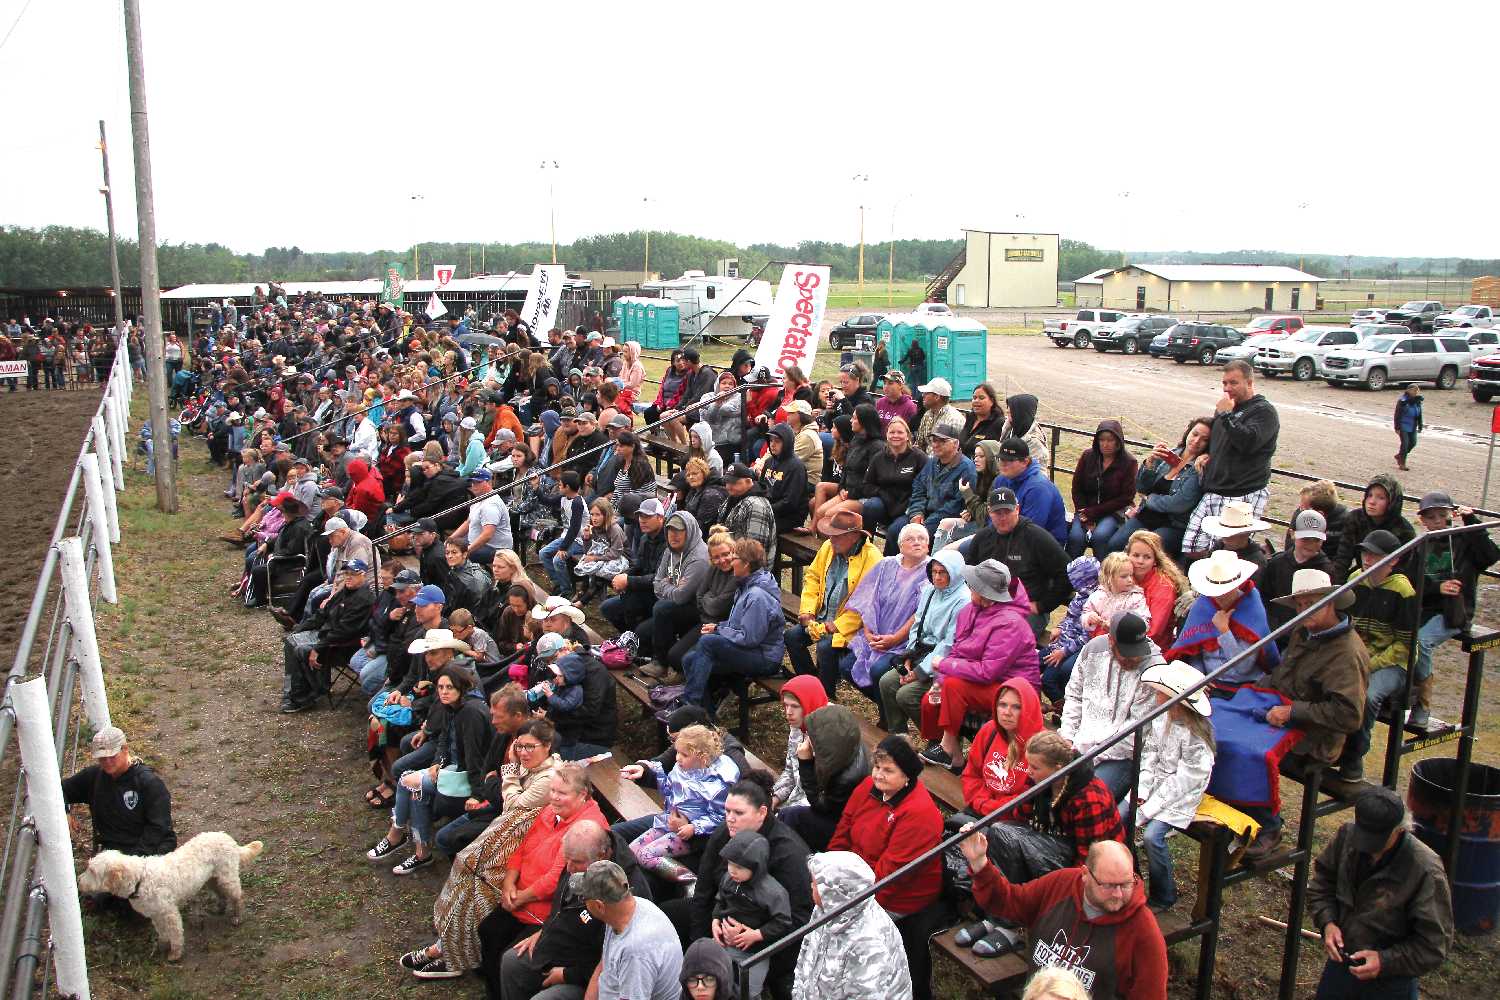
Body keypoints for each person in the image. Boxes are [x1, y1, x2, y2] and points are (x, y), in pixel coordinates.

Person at [1243, 569, 1371, 864]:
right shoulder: (1305, 632)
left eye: (1311, 603)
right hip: (1285, 715)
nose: (1304, 610)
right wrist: (1253, 691)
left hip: (1317, 738)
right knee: (1219, 728)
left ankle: (1270, 827)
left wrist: (1293, 712)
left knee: (1249, 752)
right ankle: (1238, 813)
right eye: (1299, 604)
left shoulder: (1347, 653)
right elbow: (1284, 674)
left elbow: (1349, 715)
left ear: (1331, 603)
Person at [960, 834, 1168, 1000]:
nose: (1118, 894)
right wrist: (980, 864)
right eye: (1108, 885)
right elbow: (1010, 901)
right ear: (1085, 874)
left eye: (1125, 884)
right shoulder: (1062, 884)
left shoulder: (1143, 930)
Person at [1307, 786, 1454, 1000]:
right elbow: (1322, 883)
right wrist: (1327, 922)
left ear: (1400, 830)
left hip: (1390, 983)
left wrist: (1384, 961)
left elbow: (1434, 945)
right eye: (1363, 834)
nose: (1366, 846)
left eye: (1375, 840)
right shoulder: (1347, 837)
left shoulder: (1425, 871)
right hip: (1341, 967)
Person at [827, 735, 944, 1000]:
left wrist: (847, 897)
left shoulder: (919, 813)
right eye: (877, 767)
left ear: (907, 777)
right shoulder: (869, 786)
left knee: (844, 931)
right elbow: (844, 829)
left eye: (888, 770)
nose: (879, 775)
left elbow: (891, 876)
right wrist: (832, 874)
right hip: (857, 879)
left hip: (896, 895)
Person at [492, 818, 652, 1000]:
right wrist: (545, 930)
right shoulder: (579, 859)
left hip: (588, 975)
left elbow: (614, 961)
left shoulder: (624, 893)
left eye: (575, 862)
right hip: (557, 948)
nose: (568, 868)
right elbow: (562, 905)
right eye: (566, 859)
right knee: (512, 961)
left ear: (601, 856)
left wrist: (568, 974)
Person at [918, 559, 1041, 772]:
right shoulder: (970, 610)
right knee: (931, 700)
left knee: (953, 687)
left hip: (1012, 689)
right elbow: (958, 651)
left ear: (984, 592)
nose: (968, 586)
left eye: (972, 584)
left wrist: (946, 666)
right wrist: (940, 681)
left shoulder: (1011, 623)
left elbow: (987, 672)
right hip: (975, 681)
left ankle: (946, 748)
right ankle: (952, 755)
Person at [371, 664, 491, 876]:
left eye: (449, 687)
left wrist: (476, 794)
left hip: (466, 779)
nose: (444, 692)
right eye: (441, 687)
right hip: (451, 768)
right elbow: (444, 740)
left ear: (461, 688)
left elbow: (475, 758)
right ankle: (421, 852)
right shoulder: (451, 707)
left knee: (407, 780)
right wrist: (438, 763)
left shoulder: (471, 712)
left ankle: (397, 834)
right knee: (416, 791)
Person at [981, 731, 1125, 884]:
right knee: (1000, 834)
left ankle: (1023, 894)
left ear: (1058, 768)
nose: (1029, 771)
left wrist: (1065, 891)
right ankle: (1012, 894)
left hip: (1095, 861)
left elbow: (1091, 856)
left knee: (1004, 836)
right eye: (1029, 764)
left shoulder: (1089, 800)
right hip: (1056, 840)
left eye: (1035, 767)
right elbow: (1020, 815)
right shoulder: (1042, 780)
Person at [1336, 530, 1420, 781]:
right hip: (1361, 654)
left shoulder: (1404, 591)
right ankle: (1329, 745)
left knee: (1368, 696)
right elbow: (1349, 625)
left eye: (1375, 555)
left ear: (1393, 560)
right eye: (1365, 553)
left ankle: (1355, 756)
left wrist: (1370, 664)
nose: (1367, 559)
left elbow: (1405, 644)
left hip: (1395, 662)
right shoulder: (1355, 579)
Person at [1411, 491, 1499, 726]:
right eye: (1431, 517)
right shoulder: (1421, 545)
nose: (1438, 521)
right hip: (1425, 608)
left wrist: (1472, 523)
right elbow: (1411, 582)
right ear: (1423, 520)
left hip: (1454, 612)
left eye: (1443, 515)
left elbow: (1490, 556)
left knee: (1421, 641)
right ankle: (1400, 694)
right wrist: (1437, 588)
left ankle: (1423, 703)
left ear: (1452, 515)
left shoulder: (1465, 541)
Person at [1134, 661, 1216, 912]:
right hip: (1155, 786)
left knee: (1152, 837)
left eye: (1162, 693)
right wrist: (1143, 790)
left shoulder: (1195, 737)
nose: (1157, 696)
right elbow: (1150, 754)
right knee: (1120, 817)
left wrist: (1151, 806)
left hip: (1180, 796)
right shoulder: (1161, 720)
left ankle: (1163, 894)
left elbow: (1185, 780)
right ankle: (1131, 880)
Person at [1182, 361, 1280, 558]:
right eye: (1224, 383)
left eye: (1233, 383)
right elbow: (1220, 440)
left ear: (1249, 382)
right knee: (1191, 546)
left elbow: (1248, 442)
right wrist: (1207, 453)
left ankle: (1228, 580)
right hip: (1215, 489)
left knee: (1228, 548)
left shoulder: (1264, 411)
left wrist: (1226, 415)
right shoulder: (1226, 409)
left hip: (1242, 491)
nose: (1227, 388)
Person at [1059, 611, 1161, 801]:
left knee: (1086, 799)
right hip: (1080, 742)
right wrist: (1067, 737)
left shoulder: (1154, 671)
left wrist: (1087, 758)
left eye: (1137, 651)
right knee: (1045, 782)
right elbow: (1074, 695)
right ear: (1112, 641)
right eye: (1127, 652)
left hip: (1120, 756)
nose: (1134, 658)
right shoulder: (1093, 649)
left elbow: (1135, 733)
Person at [785, 502, 882, 700]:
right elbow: (812, 577)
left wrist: (835, 626)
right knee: (792, 637)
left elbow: (866, 605)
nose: (831, 538)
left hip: (853, 627)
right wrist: (808, 611)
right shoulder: (829, 547)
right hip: (821, 616)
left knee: (825, 647)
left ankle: (825, 698)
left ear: (855, 536)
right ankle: (811, 687)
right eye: (831, 534)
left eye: (837, 535)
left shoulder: (873, 559)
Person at [622, 725, 740, 883]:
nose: (677, 758)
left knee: (645, 855)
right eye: (677, 752)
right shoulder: (681, 768)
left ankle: (688, 881)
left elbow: (721, 817)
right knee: (631, 851)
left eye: (684, 754)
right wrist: (654, 770)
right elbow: (669, 791)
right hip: (667, 822)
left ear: (702, 757)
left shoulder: (718, 784)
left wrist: (695, 827)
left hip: (689, 836)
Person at [791, 851, 912, 1000]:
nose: (811, 886)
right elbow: (807, 953)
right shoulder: (825, 909)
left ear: (835, 892)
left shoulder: (867, 942)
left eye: (816, 884)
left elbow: (867, 995)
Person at [680, 538, 786, 710]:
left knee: (708, 642)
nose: (730, 561)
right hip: (751, 649)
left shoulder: (756, 596)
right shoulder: (745, 586)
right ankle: (705, 715)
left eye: (734, 557)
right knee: (688, 659)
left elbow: (749, 639)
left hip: (764, 657)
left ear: (745, 564)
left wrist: (719, 629)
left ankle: (690, 704)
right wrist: (717, 628)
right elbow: (738, 625)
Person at [840, 523, 931, 718]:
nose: (917, 542)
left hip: (903, 642)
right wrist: (868, 632)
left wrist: (895, 638)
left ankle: (888, 719)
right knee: (846, 666)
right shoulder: (886, 564)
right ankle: (886, 707)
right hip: (874, 634)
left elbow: (920, 613)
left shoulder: (931, 571)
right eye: (910, 539)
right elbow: (868, 599)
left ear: (929, 545)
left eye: (922, 538)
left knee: (878, 671)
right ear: (900, 546)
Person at [877, 549, 970, 739]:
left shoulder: (963, 600)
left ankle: (937, 740)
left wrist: (919, 673)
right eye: (934, 572)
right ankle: (899, 735)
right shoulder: (930, 591)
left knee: (907, 696)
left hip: (942, 664)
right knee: (887, 682)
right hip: (919, 654)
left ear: (955, 573)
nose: (937, 577)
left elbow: (948, 645)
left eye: (942, 573)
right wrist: (908, 658)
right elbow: (917, 626)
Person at [962, 487, 1072, 640]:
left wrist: (1042, 606)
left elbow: (1068, 573)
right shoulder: (983, 538)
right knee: (963, 628)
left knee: (1001, 643)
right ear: (989, 511)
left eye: (1007, 512)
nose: (1002, 517)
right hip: (989, 605)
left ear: (1017, 509)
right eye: (997, 513)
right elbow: (969, 570)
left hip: (1026, 610)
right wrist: (978, 594)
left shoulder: (1036, 537)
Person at [1166, 548, 1279, 687]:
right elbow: (1193, 651)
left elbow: (1243, 667)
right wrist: (1199, 678)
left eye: (1225, 589)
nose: (1220, 595)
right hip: (1208, 682)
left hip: (1245, 684)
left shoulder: (1251, 605)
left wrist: (1224, 631)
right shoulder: (1203, 605)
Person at [572, 859, 684, 1000]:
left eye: (584, 898)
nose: (583, 902)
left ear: (599, 906)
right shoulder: (625, 908)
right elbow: (605, 965)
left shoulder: (636, 951)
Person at [1106, 415, 1211, 557]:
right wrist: (1150, 462)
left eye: (1204, 439)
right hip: (1147, 515)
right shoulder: (1171, 455)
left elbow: (1179, 504)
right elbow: (1142, 488)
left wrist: (1149, 499)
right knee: (1115, 544)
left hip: (1173, 524)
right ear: (1188, 432)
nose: (1197, 441)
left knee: (1146, 550)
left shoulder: (1199, 467)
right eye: (1195, 434)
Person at [63, 726, 176, 856]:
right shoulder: (94, 777)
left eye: (112, 756)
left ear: (125, 749)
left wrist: (132, 861)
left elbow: (159, 828)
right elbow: (59, 790)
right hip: (113, 855)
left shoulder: (149, 783)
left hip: (150, 854)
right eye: (102, 758)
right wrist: (65, 812)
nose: (107, 762)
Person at [281, 558, 376, 712]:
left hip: (343, 646)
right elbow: (321, 614)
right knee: (291, 639)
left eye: (353, 573)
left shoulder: (364, 598)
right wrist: (300, 628)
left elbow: (345, 632)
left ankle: (305, 695)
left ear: (363, 575)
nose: (348, 577)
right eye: (346, 573)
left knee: (300, 648)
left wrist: (318, 648)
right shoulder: (344, 592)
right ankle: (295, 692)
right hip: (327, 635)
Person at [709, 830, 793, 999]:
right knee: (714, 979)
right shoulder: (728, 878)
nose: (732, 870)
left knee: (750, 992)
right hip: (724, 941)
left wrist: (756, 935)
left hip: (754, 952)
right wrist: (715, 920)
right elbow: (721, 900)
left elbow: (783, 921)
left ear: (756, 865)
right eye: (730, 863)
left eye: (739, 867)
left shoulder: (773, 892)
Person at [778, 703, 870, 853]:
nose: (808, 740)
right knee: (787, 815)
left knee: (789, 816)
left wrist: (806, 762)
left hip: (845, 832)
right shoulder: (848, 745)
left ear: (826, 742)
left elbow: (819, 805)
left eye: (812, 738)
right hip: (846, 816)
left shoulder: (846, 779)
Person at [955, 678, 1047, 824]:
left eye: (1016, 707)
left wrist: (988, 807)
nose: (1007, 712)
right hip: (979, 809)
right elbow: (971, 774)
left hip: (1013, 822)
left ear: (1029, 708)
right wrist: (981, 802)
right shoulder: (989, 730)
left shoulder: (1041, 745)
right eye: (1002, 705)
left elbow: (1028, 800)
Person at [894, 421, 974, 555]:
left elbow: (956, 505)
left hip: (944, 521)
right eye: (934, 440)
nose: (935, 444)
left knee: (914, 539)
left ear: (956, 444)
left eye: (942, 441)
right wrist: (916, 512)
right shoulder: (932, 462)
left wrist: (925, 523)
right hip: (923, 514)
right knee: (895, 530)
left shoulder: (967, 469)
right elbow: (918, 487)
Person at [1257, 510, 1336, 644]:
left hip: (1306, 636)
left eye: (1316, 540)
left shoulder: (1326, 571)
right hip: (1273, 630)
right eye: (1305, 539)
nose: (1311, 544)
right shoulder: (1277, 563)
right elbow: (1264, 597)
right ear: (1292, 534)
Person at [601, 497, 668, 644]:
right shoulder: (645, 538)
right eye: (640, 516)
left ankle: (637, 643)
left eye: (648, 517)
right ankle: (628, 638)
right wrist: (623, 577)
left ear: (660, 518)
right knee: (607, 607)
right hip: (642, 590)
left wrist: (628, 581)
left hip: (660, 595)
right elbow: (638, 565)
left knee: (631, 604)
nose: (642, 520)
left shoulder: (669, 542)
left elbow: (659, 578)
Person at [1067, 419, 1137, 559]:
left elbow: (1126, 497)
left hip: (1114, 511)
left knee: (1100, 536)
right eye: (1102, 440)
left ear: (1118, 441)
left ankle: (1105, 575)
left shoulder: (1129, 462)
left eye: (1110, 440)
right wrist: (1084, 513)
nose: (1105, 444)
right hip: (1085, 509)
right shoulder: (1088, 457)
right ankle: (1068, 574)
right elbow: (1077, 488)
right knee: (1076, 537)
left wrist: (1094, 512)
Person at [1337, 478, 1417, 584]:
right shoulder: (1355, 518)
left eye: (1381, 498)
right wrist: (1337, 589)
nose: (1372, 502)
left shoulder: (1405, 531)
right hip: (1361, 575)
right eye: (1369, 495)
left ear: (1392, 502)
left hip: (1392, 582)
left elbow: (1406, 569)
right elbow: (1343, 557)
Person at [994, 437, 1068, 547]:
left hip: (1041, 546)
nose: (1004, 464)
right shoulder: (1001, 479)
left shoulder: (1038, 488)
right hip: (1007, 537)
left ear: (1025, 461)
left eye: (1010, 460)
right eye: (1001, 459)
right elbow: (993, 516)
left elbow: (1031, 530)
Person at [771, 675, 828, 811]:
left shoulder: (827, 740)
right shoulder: (798, 728)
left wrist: (785, 814)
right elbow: (791, 771)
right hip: (793, 805)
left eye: (795, 706)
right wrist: (774, 797)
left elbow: (820, 795)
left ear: (810, 704)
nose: (788, 712)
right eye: (785, 705)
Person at [862, 416, 923, 533]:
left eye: (900, 432)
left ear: (908, 436)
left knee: (895, 530)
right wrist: (882, 493)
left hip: (908, 507)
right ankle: (864, 543)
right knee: (870, 506)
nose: (895, 435)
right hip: (885, 503)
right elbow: (867, 485)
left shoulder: (919, 457)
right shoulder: (879, 457)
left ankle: (892, 551)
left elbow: (925, 487)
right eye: (892, 432)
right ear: (886, 435)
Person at [718, 463, 779, 567]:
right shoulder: (735, 496)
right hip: (730, 562)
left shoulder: (756, 506)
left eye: (734, 482)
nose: (728, 486)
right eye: (726, 482)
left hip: (748, 572)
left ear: (748, 481)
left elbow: (754, 553)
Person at [1080, 552, 1151, 640]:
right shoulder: (1099, 595)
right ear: (1109, 578)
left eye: (1131, 575)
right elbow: (1085, 613)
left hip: (1127, 643)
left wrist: (1121, 625)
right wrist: (1090, 618)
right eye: (1124, 576)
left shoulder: (1136, 597)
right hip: (1100, 642)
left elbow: (1144, 623)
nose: (1130, 580)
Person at [451, 468, 513, 566]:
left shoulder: (491, 504)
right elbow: (468, 522)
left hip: (495, 548)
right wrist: (450, 539)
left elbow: (487, 535)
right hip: (475, 541)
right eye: (472, 482)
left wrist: (467, 551)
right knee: (451, 548)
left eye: (478, 482)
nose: (474, 485)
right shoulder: (478, 499)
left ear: (488, 482)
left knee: (453, 556)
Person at [913, 377, 961, 452]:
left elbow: (950, 451)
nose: (922, 395)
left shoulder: (954, 419)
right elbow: (919, 444)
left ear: (937, 397)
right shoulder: (928, 415)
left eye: (926, 393)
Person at [1393, 383, 1423, 471]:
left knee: (1413, 443)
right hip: (1403, 426)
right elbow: (1397, 415)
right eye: (1414, 390)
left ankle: (1400, 455)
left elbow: (1419, 414)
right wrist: (1397, 427)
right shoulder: (1402, 401)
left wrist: (1420, 425)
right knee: (1405, 444)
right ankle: (1402, 463)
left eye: (1417, 390)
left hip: (1413, 425)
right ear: (1408, 391)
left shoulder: (1418, 401)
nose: (1416, 392)